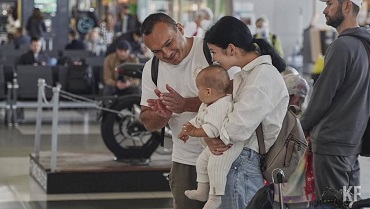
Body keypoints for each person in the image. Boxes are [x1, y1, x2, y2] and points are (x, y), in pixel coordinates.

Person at [203, 16, 288, 209]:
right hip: (238, 159)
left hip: (241, 162)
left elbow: (237, 128)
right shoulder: (249, 74)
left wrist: (214, 136)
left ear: (231, 48)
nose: (213, 58)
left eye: (214, 52)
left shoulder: (262, 76)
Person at [139, 13, 213, 209]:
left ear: (180, 29)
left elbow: (234, 100)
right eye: (157, 51)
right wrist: (161, 115)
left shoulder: (210, 51)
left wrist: (186, 105)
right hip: (185, 161)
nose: (166, 53)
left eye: (169, 43)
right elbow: (147, 121)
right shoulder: (151, 69)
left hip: (224, 157)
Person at [300, 0, 370, 199]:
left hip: (332, 144)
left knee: (332, 203)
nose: (324, 9)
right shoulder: (365, 45)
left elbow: (322, 97)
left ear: (347, 6)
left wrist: (300, 127)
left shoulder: (342, 46)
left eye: (330, 3)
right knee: (349, 200)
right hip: (352, 143)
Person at [176, 65, 241, 209]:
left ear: (208, 91)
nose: (197, 92)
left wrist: (193, 132)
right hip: (216, 144)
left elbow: (211, 130)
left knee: (215, 167)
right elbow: (199, 120)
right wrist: (187, 129)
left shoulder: (222, 105)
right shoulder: (207, 104)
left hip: (226, 146)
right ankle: (202, 191)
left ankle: (215, 197)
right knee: (201, 162)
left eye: (198, 88)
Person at [273, 73, 314, 209]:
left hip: (295, 183)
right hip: (287, 183)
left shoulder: (304, 120)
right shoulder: (279, 115)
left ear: (295, 98)